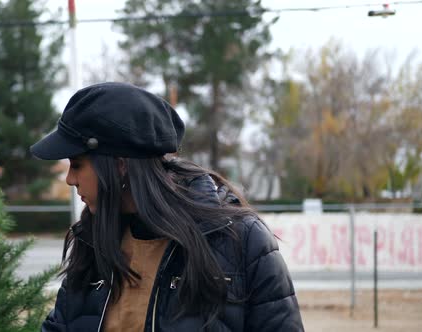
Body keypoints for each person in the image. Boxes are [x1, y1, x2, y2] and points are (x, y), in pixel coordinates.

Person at [31, 82, 304, 332]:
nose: (70, 179)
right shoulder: (91, 241)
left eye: (77, 164)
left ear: (120, 166)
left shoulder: (239, 239)